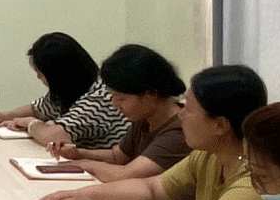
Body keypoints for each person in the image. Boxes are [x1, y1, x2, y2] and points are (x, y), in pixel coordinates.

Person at [36, 64, 265, 200]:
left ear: (219, 125)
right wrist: (81, 194)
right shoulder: (207, 156)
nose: (181, 115)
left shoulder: (257, 177)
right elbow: (151, 189)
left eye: (189, 109)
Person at [43, 44, 192, 180]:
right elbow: (117, 156)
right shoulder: (145, 118)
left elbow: (126, 174)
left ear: (151, 93)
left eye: (121, 98)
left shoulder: (179, 132)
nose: (115, 105)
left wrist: (81, 164)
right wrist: (77, 153)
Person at [0, 33, 127, 152]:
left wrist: (29, 123)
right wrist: (3, 116)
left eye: (41, 73)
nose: (38, 77)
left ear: (58, 75)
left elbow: (55, 136)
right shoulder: (69, 89)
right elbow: (38, 110)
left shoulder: (100, 97)